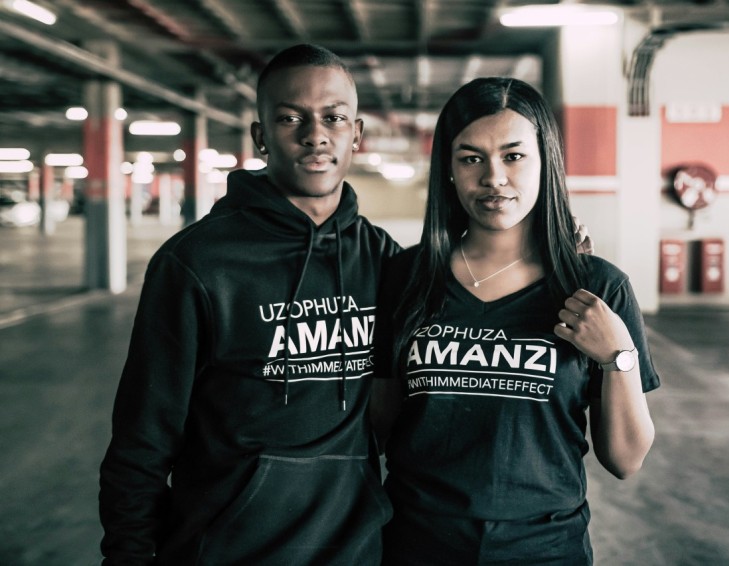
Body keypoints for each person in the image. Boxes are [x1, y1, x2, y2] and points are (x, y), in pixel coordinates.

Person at [99, 44, 399, 565]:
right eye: (290, 118)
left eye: (334, 117)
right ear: (261, 137)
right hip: (226, 548)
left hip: (352, 549)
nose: (315, 134)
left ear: (357, 133)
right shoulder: (195, 263)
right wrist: (126, 553)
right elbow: (142, 435)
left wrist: (554, 255)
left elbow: (475, 298)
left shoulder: (383, 259)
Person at [372, 77, 660, 565]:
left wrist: (618, 357)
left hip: (545, 549)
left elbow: (625, 460)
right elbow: (376, 429)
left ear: (546, 162)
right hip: (417, 544)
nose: (494, 178)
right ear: (448, 169)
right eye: (471, 158)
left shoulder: (595, 289)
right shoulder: (405, 277)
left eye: (514, 155)